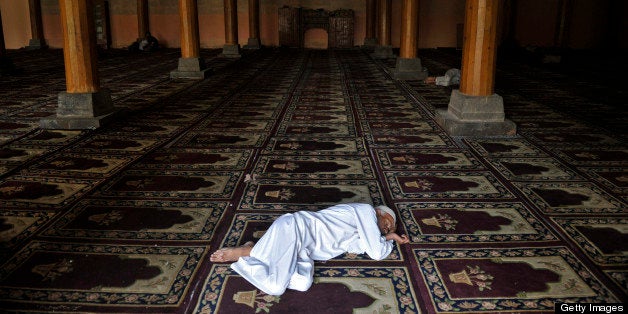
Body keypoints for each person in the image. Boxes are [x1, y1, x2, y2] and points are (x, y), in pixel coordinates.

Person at [210, 203, 409, 296]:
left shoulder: (360, 235)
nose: (386, 230)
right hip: (293, 228)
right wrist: (391, 238)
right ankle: (247, 254)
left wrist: (389, 237)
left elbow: (370, 249)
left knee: (304, 282)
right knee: (276, 288)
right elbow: (377, 251)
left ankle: (257, 251)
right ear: (382, 213)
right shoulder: (365, 210)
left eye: (388, 230)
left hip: (302, 251)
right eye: (388, 225)